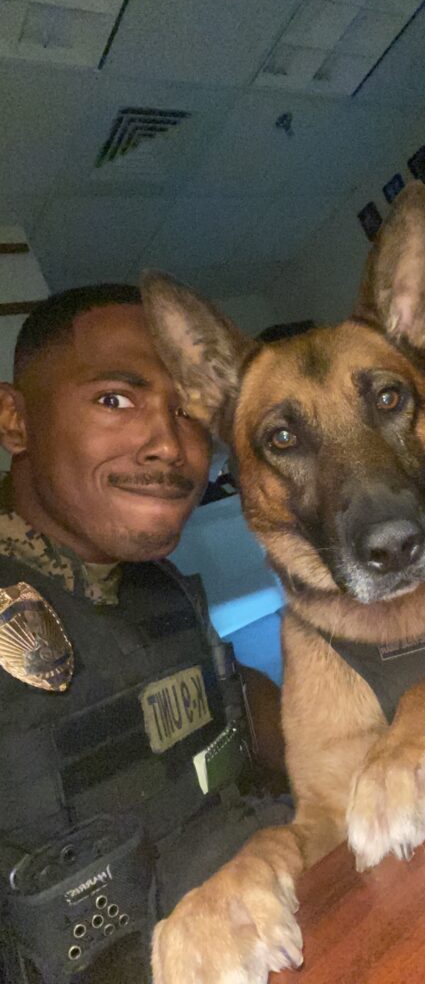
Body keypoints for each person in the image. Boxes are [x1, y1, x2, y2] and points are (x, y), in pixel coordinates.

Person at [0, 285, 288, 984]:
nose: (170, 445)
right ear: (15, 421)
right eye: (115, 400)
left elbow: (233, 709)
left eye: (190, 412)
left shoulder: (160, 585)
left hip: (272, 920)